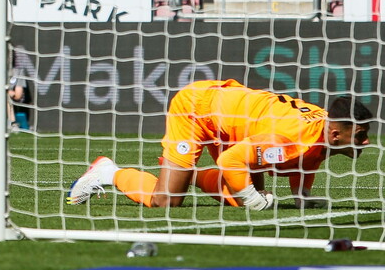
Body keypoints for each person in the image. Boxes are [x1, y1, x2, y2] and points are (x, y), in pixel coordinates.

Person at [68, 79, 372, 210]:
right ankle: (108, 172)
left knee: (237, 198)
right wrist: (252, 196)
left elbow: (308, 161)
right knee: (167, 202)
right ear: (336, 134)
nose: (366, 141)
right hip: (198, 109)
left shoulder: (323, 130)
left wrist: (301, 197)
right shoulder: (289, 139)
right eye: (360, 135)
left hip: (234, 118)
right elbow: (232, 161)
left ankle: (191, 176)